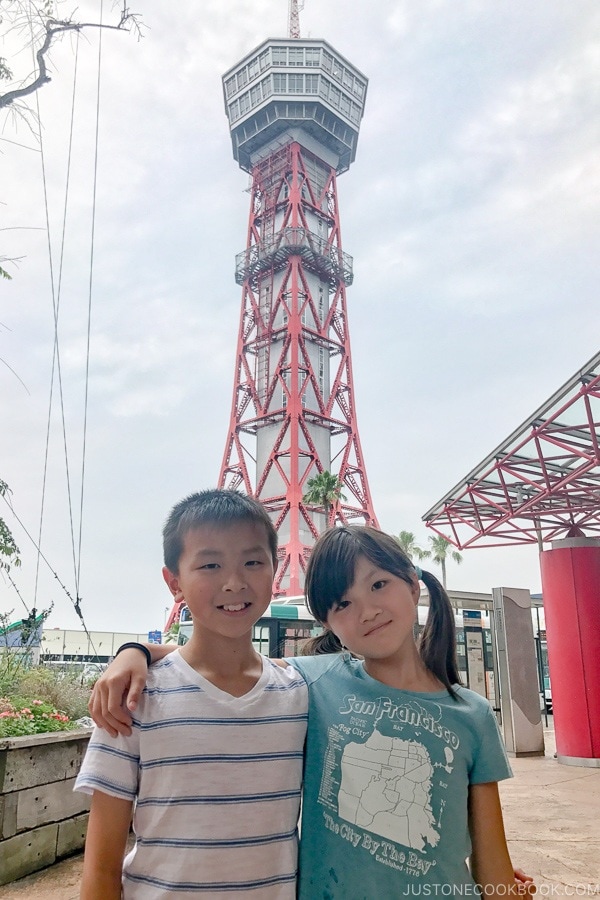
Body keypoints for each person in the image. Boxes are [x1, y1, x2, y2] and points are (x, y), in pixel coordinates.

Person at [91, 524, 535, 898]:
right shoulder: (316, 680)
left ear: (414, 585)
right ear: (327, 622)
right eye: (342, 604)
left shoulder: (472, 713)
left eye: (379, 584)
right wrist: (136, 651)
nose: (368, 611)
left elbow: (491, 857)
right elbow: (223, 660)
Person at [75, 489, 308, 899]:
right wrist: (136, 653)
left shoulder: (299, 695)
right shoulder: (132, 698)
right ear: (174, 582)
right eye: (210, 564)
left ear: (274, 569)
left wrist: (138, 650)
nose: (234, 582)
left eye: (253, 562)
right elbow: (100, 868)